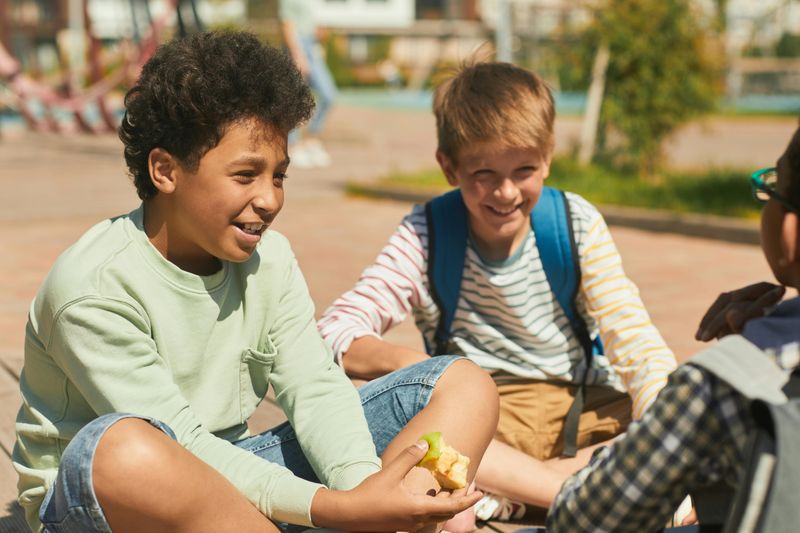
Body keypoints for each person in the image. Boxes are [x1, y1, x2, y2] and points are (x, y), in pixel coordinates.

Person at [11, 31, 498, 533]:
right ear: (165, 170)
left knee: (463, 384)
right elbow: (184, 446)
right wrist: (335, 510)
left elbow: (315, 389)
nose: (269, 199)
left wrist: (363, 495)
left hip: (236, 479)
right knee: (125, 450)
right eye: (245, 175)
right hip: (110, 505)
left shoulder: (271, 259)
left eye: (279, 175)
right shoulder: (92, 288)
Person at [317, 60, 677, 521]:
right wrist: (417, 369)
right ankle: (573, 489)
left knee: (697, 415)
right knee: (397, 433)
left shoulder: (575, 224)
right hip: (487, 415)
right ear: (449, 167)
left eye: (524, 169)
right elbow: (334, 331)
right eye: (484, 174)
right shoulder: (426, 234)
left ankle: (513, 492)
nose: (505, 193)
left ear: (547, 157)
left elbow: (634, 339)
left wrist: (666, 426)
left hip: (583, 409)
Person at [546, 124, 800, 532]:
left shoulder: (721, 388)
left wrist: (739, 358)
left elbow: (582, 520)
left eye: (770, 188)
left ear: (791, 231)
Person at [278, 0, 337, 168]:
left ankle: (311, 140)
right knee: (296, 98)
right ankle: (293, 146)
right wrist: (297, 54)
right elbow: (287, 25)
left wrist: (320, 40)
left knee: (329, 95)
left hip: (311, 45)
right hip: (297, 46)